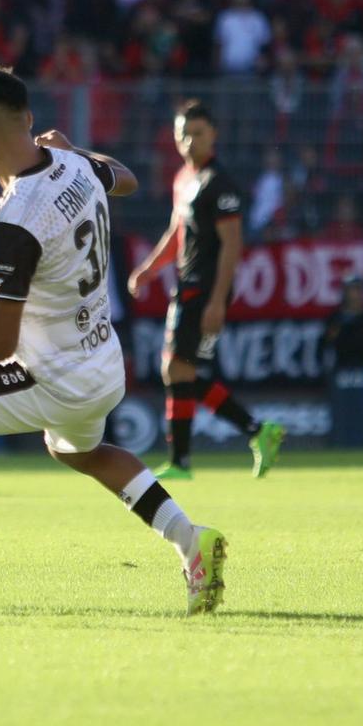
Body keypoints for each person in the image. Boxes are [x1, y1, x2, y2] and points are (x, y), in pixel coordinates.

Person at [0, 66, 226, 621]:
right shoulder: (75, 164)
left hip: (51, 375)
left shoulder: (13, 218)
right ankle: (188, 537)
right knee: (76, 450)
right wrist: (78, 150)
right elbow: (124, 178)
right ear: (28, 120)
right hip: (103, 360)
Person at [128, 100, 284, 480]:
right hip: (187, 285)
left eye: (198, 133)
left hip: (205, 289)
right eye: (183, 134)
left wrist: (218, 300)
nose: (190, 140)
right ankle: (254, 432)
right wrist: (148, 271)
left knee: (177, 369)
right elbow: (176, 233)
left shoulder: (220, 184)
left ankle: (187, 459)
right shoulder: (184, 179)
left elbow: (232, 244)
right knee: (182, 372)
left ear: (213, 134)